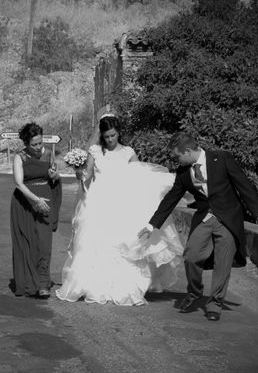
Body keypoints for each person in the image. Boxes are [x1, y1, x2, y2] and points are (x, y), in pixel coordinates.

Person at [55, 114, 184, 306]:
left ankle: (124, 287)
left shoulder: (129, 152)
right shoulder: (95, 151)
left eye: (113, 136)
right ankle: (94, 286)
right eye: (106, 137)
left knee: (123, 245)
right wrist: (79, 171)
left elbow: (139, 177)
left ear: (119, 133)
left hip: (123, 203)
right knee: (95, 245)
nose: (110, 140)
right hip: (98, 203)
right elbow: (87, 176)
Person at [138, 132, 258, 321]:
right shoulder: (183, 173)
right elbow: (171, 199)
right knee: (191, 256)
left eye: (177, 156)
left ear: (188, 150)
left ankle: (215, 303)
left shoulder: (221, 158)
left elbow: (243, 184)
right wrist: (152, 225)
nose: (176, 160)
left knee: (222, 263)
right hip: (204, 218)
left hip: (228, 218)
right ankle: (194, 292)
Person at [10, 122, 62, 299]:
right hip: (25, 202)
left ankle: (42, 283)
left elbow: (53, 174)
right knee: (28, 242)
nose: (38, 147)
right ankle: (29, 282)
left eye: (40, 143)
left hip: (45, 200)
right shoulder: (20, 157)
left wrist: (56, 176)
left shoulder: (49, 154)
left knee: (44, 243)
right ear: (26, 143)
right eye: (34, 144)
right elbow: (18, 183)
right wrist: (35, 200)